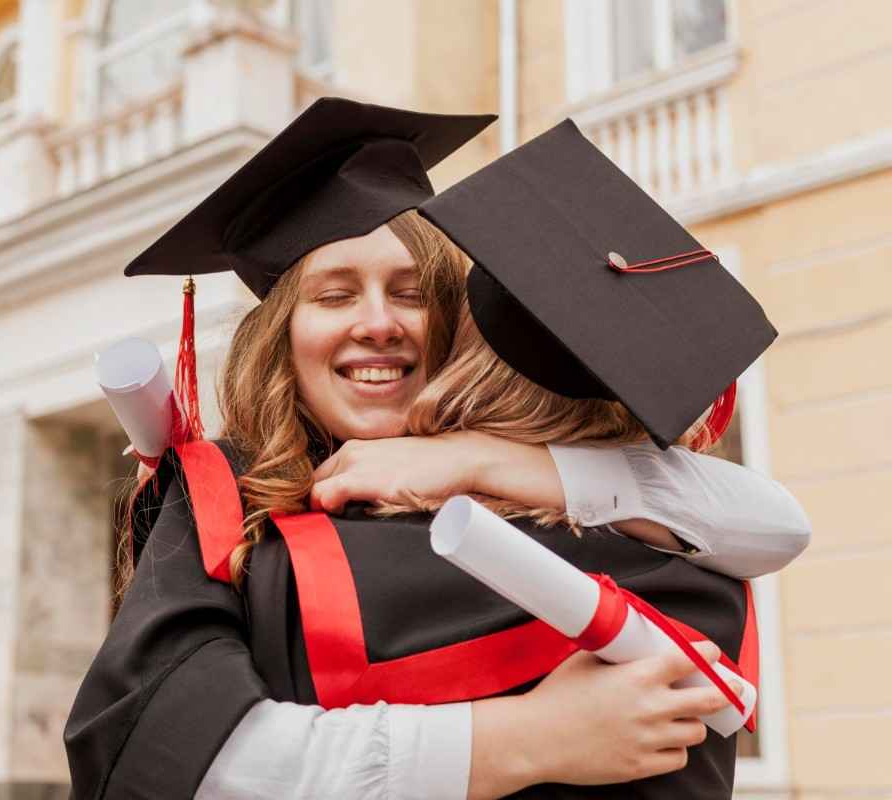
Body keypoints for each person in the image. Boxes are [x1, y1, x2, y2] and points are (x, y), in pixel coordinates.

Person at [66, 101, 809, 799]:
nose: (379, 322)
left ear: (456, 319)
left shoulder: (539, 482)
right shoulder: (229, 497)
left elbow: (776, 527)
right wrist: (524, 739)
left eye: (412, 291)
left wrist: (487, 460)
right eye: (335, 295)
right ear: (282, 338)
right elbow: (167, 758)